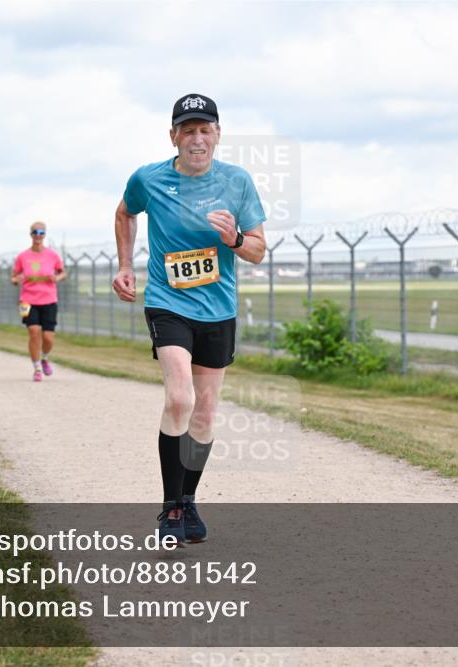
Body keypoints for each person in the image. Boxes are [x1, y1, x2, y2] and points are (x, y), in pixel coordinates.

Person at [112, 93, 267, 544]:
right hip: (167, 301)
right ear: (173, 136)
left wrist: (235, 237)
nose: (196, 138)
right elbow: (125, 212)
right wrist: (125, 265)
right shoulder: (149, 179)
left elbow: (257, 250)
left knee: (204, 412)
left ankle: (188, 503)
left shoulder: (237, 182)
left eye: (205, 130)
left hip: (218, 309)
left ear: (218, 135)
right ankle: (169, 507)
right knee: (179, 398)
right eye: (188, 130)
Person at [11, 221, 66, 381]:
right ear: (31, 234)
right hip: (26, 301)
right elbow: (13, 278)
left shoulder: (52, 255)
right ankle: (36, 368)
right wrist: (17, 279)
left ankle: (44, 358)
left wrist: (56, 277)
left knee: (48, 338)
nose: (38, 235)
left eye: (41, 232)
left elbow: (63, 273)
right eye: (35, 232)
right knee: (33, 332)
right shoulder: (22, 256)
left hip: (49, 300)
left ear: (45, 235)